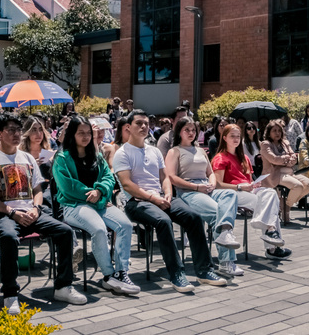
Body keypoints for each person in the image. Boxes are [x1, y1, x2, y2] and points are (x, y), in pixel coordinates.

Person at [0, 113, 85, 314]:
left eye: (18, 130)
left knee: (65, 231)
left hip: (31, 212)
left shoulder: (27, 158)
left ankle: (63, 286)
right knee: (9, 237)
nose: (16, 134)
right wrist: (12, 212)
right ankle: (10, 294)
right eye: (11, 130)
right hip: (2, 214)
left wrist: (36, 209)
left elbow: (37, 189)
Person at [113, 109, 227, 292]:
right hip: (137, 202)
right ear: (128, 127)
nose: (143, 126)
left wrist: (166, 193)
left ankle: (204, 271)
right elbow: (127, 185)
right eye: (138, 123)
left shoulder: (154, 151)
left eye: (146, 123)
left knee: (194, 217)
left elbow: (165, 177)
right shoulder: (122, 153)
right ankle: (177, 274)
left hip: (161, 196)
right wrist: (153, 198)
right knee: (164, 222)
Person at [55, 115, 140, 295]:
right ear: (72, 134)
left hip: (99, 202)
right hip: (73, 206)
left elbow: (108, 178)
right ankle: (108, 276)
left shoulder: (96, 155)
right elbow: (68, 187)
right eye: (81, 133)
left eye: (88, 133)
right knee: (99, 229)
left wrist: (100, 192)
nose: (86, 137)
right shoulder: (62, 157)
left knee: (124, 225)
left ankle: (121, 272)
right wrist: (93, 194)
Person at [164, 117, 243, 278]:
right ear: (179, 131)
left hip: (207, 187)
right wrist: (197, 187)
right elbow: (171, 177)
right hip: (189, 191)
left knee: (230, 194)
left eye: (193, 130)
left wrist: (212, 184)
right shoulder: (175, 151)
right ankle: (226, 262)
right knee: (216, 212)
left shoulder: (200, 150)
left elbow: (210, 173)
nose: (191, 133)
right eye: (187, 129)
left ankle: (225, 232)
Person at [211, 124, 291, 260]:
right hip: (232, 192)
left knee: (271, 194)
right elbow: (218, 185)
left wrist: (254, 185)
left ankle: (269, 232)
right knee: (264, 203)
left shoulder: (244, 158)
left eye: (238, 136)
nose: (236, 139)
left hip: (247, 190)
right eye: (232, 136)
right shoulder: (220, 158)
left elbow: (248, 180)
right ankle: (272, 246)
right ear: (224, 138)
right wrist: (241, 187)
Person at [260, 119, 309, 218]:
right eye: (274, 131)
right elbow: (273, 159)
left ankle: (286, 205)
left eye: (279, 130)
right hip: (275, 174)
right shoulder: (265, 144)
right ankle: (287, 208)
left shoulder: (285, 142)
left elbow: (294, 157)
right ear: (269, 133)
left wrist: (288, 159)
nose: (277, 133)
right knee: (298, 186)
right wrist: (286, 159)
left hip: (289, 172)